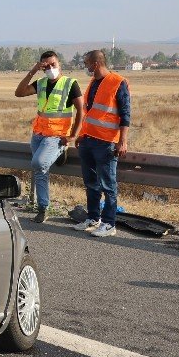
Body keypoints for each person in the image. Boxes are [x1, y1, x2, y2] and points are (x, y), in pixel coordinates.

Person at [14, 50, 85, 223]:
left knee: (38, 163)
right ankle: (43, 208)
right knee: (40, 171)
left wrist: (73, 136)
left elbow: (81, 111)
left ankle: (61, 150)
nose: (51, 68)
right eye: (46, 66)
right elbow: (19, 93)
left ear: (59, 64)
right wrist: (33, 71)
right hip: (38, 134)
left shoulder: (70, 84)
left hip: (57, 136)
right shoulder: (41, 83)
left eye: (53, 64)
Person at [72, 50, 131, 237]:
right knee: (91, 183)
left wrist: (122, 141)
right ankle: (93, 218)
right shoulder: (93, 82)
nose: (85, 66)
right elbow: (90, 113)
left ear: (95, 64)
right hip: (88, 140)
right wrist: (82, 134)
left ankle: (109, 224)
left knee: (108, 185)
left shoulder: (118, 82)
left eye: (86, 63)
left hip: (106, 143)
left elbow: (125, 114)